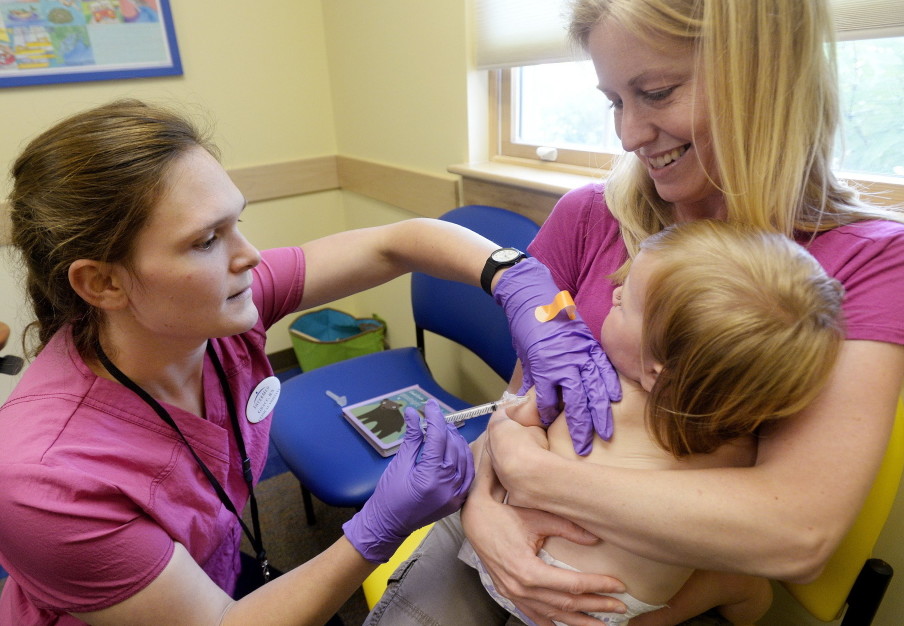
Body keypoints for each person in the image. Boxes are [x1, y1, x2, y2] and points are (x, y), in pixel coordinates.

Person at [364, 1, 904, 625]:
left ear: (765, 73)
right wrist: (484, 515)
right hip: (498, 519)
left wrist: (535, 478)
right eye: (615, 101)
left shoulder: (867, 264)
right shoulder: (586, 217)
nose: (627, 136)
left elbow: (796, 533)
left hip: (648, 582)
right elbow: (522, 402)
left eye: (655, 92)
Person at [0, 99, 613, 625]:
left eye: (237, 223)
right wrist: (379, 526)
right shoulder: (44, 481)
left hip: (208, 568)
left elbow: (393, 243)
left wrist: (514, 276)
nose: (250, 257)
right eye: (206, 240)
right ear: (101, 283)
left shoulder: (212, 312)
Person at [460, 220, 845, 625]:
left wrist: (514, 429)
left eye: (626, 304)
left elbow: (511, 416)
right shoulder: (744, 449)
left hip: (510, 563)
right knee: (724, 584)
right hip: (614, 610)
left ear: (658, 372)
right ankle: (739, 599)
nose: (616, 291)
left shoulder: (592, 386)